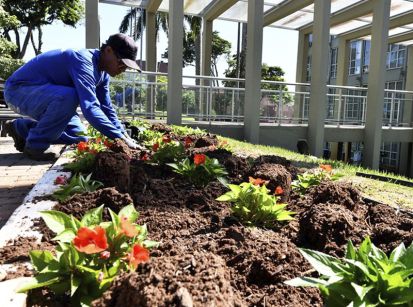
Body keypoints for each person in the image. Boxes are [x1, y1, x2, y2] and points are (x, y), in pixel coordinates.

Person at [4, 33, 142, 161]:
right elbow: (90, 108)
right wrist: (119, 137)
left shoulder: (103, 74)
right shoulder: (82, 60)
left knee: (79, 137)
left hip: (45, 96)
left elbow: (106, 108)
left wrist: (124, 135)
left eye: (127, 66)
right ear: (108, 51)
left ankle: (21, 129)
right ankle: (35, 146)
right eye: (121, 62)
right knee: (70, 96)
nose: (123, 68)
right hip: (18, 91)